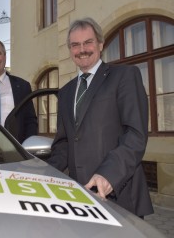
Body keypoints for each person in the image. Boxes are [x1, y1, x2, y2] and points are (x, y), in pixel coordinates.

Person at [47, 17, 153, 217]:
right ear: (70, 50)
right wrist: (45, 176)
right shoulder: (66, 92)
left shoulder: (125, 75)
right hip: (81, 195)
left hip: (119, 193)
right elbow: (63, 144)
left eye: (88, 42)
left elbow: (135, 135)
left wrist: (108, 174)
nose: (82, 49)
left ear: (101, 44)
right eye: (75, 45)